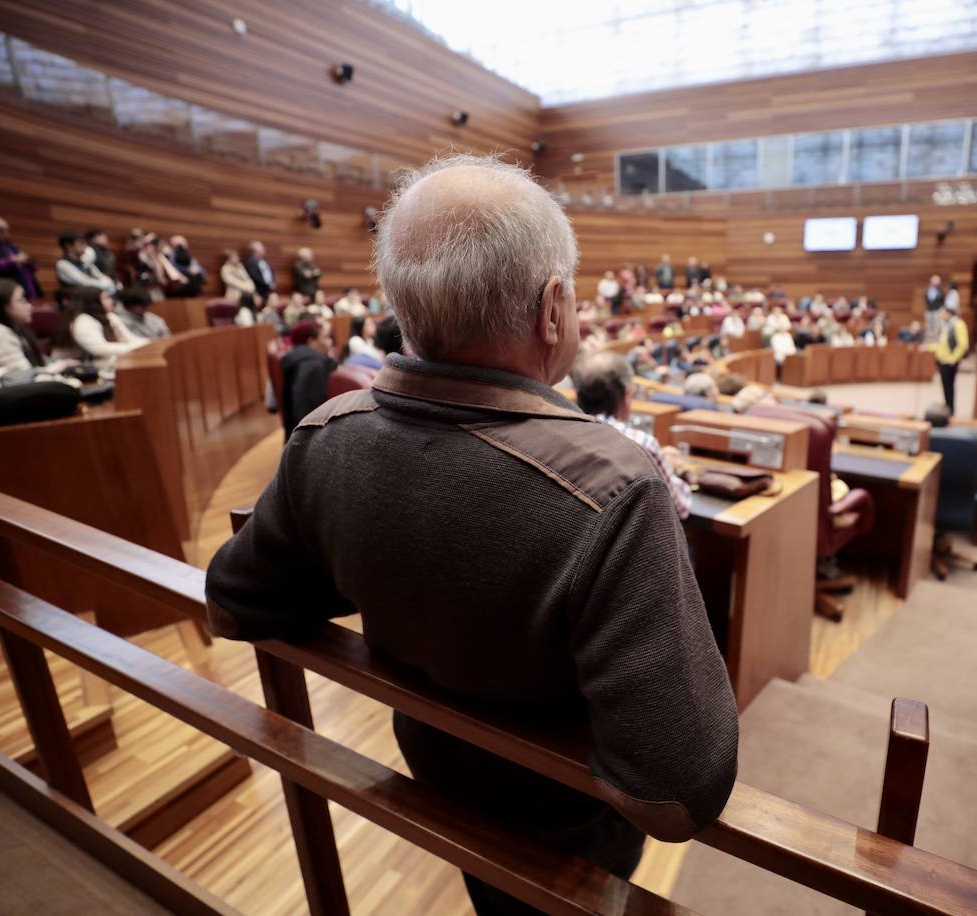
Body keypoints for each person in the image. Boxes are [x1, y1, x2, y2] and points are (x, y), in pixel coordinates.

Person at [205, 154, 737, 916]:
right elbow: (681, 788)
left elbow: (234, 600)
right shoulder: (614, 488)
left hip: (437, 775)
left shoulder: (327, 438)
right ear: (553, 310)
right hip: (568, 834)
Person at [571, 350, 694, 520]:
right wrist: (667, 467)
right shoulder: (642, 444)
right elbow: (681, 507)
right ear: (627, 394)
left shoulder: (561, 430)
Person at [52, 287, 145, 375]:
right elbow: (100, 349)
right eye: (106, 298)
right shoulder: (82, 321)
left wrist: (152, 344)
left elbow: (131, 339)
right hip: (72, 370)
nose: (111, 301)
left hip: (93, 365)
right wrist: (133, 347)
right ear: (93, 302)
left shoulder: (110, 316)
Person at [277, 318, 335, 437]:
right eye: (324, 338)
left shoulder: (295, 359)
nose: (329, 342)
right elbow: (309, 410)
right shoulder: (314, 366)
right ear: (311, 341)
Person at [929, 303, 969, 414]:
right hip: (942, 360)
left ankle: (951, 410)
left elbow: (963, 345)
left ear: (949, 313)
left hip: (950, 362)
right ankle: (947, 407)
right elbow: (941, 343)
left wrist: (953, 358)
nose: (940, 315)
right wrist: (928, 347)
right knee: (945, 386)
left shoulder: (958, 324)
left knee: (949, 387)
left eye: (942, 312)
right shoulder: (945, 325)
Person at [924, 274, 944, 341]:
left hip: (937, 311)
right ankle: (928, 342)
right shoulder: (928, 289)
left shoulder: (940, 291)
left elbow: (942, 300)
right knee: (928, 327)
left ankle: (935, 343)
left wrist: (940, 310)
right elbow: (926, 299)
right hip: (929, 310)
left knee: (936, 327)